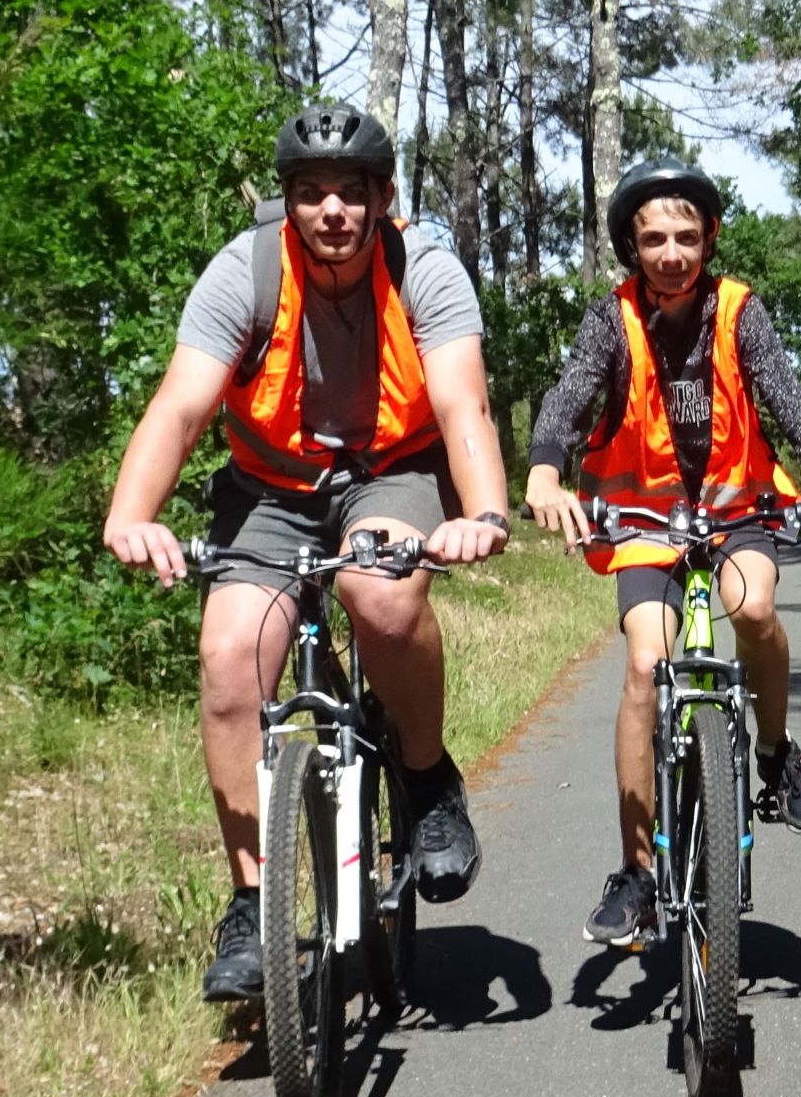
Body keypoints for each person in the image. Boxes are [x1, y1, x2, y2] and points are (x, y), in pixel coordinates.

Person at [103, 103, 509, 1001]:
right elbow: (179, 408)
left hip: (390, 473)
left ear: (381, 200)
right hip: (268, 486)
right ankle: (252, 906)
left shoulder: (426, 269)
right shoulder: (242, 272)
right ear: (286, 203)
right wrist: (132, 514)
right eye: (310, 193)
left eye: (350, 194)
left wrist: (480, 511)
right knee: (227, 665)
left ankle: (427, 778)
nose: (331, 211)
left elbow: (461, 408)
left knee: (383, 595)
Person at [524, 156, 801, 945]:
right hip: (640, 520)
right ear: (630, 246)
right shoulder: (609, 318)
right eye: (654, 240)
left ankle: (777, 753)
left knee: (753, 606)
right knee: (646, 666)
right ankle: (636, 874)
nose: (672, 254)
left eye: (687, 237)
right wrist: (545, 476)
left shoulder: (738, 311)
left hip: (734, 511)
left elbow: (784, 394)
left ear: (710, 237)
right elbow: (573, 393)